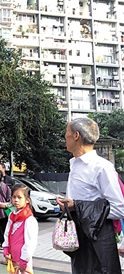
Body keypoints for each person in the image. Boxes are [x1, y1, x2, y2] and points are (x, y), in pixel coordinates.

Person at [56, 117, 124, 274]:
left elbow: (119, 209)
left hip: (98, 239)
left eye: (66, 133)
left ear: (76, 135)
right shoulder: (75, 164)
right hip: (80, 238)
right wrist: (69, 206)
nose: (64, 137)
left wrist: (78, 206)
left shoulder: (101, 167)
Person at [2, 183, 38, 274]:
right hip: (12, 256)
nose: (16, 200)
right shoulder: (12, 215)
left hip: (23, 259)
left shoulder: (29, 219)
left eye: (19, 197)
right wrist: (6, 249)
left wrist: (24, 261)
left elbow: (30, 242)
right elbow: (7, 233)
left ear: (27, 200)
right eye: (14, 197)